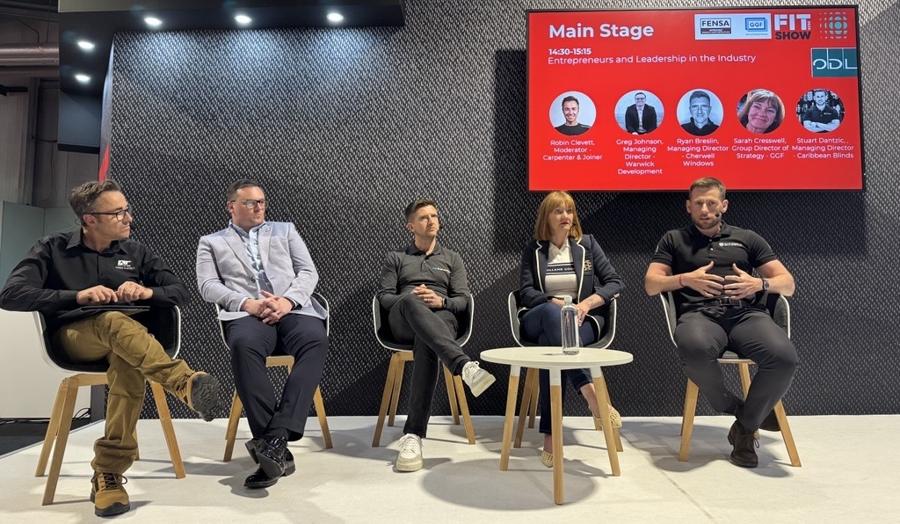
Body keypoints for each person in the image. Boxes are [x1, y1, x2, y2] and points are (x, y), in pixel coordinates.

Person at [0, 180, 223, 517]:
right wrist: (77, 296)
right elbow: (12, 294)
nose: (127, 217)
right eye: (117, 212)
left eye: (126, 209)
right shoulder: (53, 247)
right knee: (112, 321)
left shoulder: (137, 253)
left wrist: (148, 293)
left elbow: (181, 291)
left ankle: (109, 475)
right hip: (75, 339)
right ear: (89, 219)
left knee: (127, 359)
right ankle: (182, 381)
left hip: (131, 346)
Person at [644, 177, 799, 468]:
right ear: (688, 206)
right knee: (694, 348)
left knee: (784, 358)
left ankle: (744, 429)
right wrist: (685, 279)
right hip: (699, 316)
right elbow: (651, 284)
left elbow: (787, 283)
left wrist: (758, 284)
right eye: (698, 203)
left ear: (723, 205)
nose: (704, 209)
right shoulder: (673, 239)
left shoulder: (748, 238)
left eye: (711, 203)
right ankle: (735, 409)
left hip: (746, 315)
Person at [196, 179, 328, 489]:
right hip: (247, 313)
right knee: (243, 345)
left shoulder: (285, 230)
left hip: (291, 309)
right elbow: (207, 285)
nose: (259, 207)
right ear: (232, 207)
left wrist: (287, 300)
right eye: (251, 202)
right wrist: (247, 303)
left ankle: (273, 438)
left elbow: (309, 272)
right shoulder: (211, 241)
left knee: (315, 339)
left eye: (262, 202)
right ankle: (276, 443)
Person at [377, 199, 495, 472]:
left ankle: (413, 436)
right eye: (423, 217)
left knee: (427, 339)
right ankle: (464, 366)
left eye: (434, 216)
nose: (432, 221)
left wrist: (439, 301)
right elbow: (384, 298)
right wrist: (414, 299)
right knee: (410, 302)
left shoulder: (452, 258)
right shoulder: (396, 258)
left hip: (441, 318)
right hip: (403, 320)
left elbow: (463, 300)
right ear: (411, 226)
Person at [518, 191, 624, 467]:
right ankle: (590, 393)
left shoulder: (586, 245)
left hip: (580, 322)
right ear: (547, 217)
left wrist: (586, 304)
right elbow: (525, 292)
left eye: (569, 210)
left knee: (550, 347)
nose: (566, 216)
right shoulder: (535, 249)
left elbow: (615, 282)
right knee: (553, 317)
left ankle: (551, 437)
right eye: (558, 211)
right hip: (540, 316)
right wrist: (551, 302)